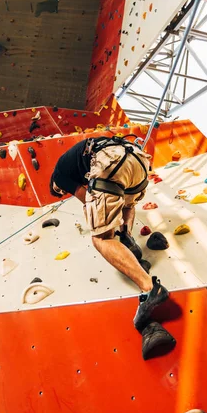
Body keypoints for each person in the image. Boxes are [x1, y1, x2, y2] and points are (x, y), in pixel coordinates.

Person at [50, 135, 168, 330]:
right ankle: (127, 236)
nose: (63, 193)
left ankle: (150, 289)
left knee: (101, 237)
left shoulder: (59, 176)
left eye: (60, 192)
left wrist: (102, 224)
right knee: (126, 202)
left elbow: (88, 199)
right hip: (137, 161)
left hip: (111, 162)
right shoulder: (76, 160)